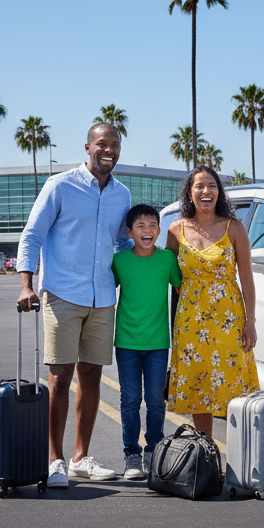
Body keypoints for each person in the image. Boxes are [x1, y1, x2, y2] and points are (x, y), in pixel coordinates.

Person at [16, 123, 132, 488]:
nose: (108, 150)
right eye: (102, 144)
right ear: (87, 148)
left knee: (92, 376)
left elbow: (122, 245)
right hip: (62, 295)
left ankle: (81, 458)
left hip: (102, 297)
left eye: (114, 145)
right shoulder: (60, 186)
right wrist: (25, 285)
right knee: (60, 376)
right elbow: (32, 235)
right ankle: (56, 461)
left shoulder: (122, 195)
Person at [165, 166, 259, 435]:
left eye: (212, 186)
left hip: (229, 321)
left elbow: (248, 279)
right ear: (189, 192)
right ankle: (206, 451)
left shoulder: (235, 228)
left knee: (234, 386)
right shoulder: (176, 230)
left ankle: (242, 458)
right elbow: (166, 275)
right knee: (198, 387)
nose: (206, 191)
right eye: (199, 186)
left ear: (219, 192)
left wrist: (250, 322)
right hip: (191, 323)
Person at [111, 203, 181, 480]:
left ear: (159, 230)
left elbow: (181, 289)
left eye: (152, 225)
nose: (147, 230)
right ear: (129, 232)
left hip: (158, 344)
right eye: (140, 226)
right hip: (127, 342)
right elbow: (104, 293)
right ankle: (131, 456)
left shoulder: (166, 260)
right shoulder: (120, 261)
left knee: (155, 401)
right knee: (129, 401)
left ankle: (154, 450)